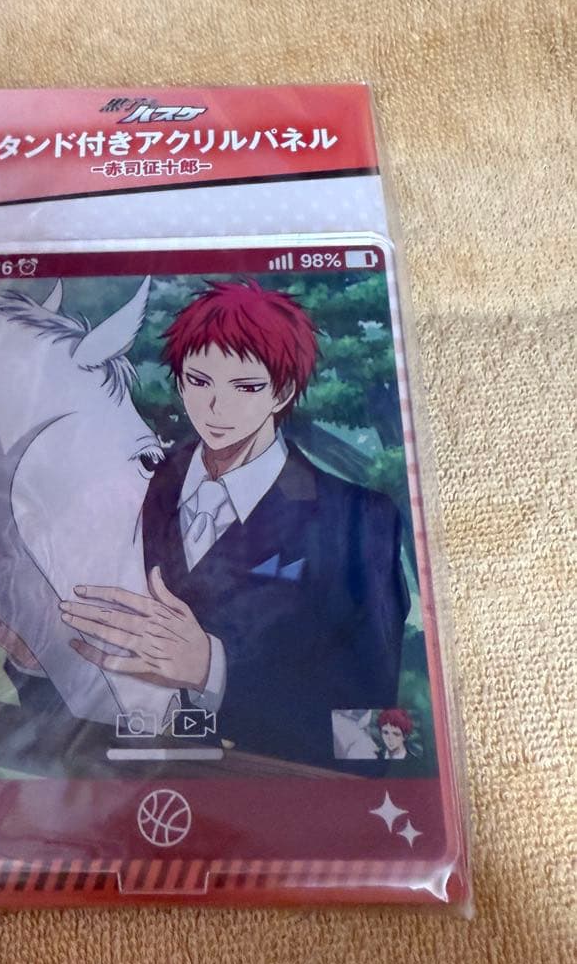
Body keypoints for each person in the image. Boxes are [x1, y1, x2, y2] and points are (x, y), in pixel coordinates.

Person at [60, 279, 409, 765]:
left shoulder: (358, 520)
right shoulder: (136, 484)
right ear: (180, 382)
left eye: (246, 387)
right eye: (199, 381)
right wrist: (31, 657)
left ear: (282, 391)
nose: (216, 407)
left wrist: (213, 670)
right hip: (113, 780)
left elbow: (368, 735)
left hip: (276, 799)